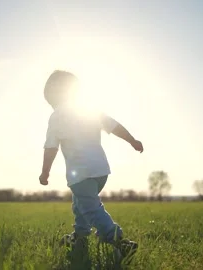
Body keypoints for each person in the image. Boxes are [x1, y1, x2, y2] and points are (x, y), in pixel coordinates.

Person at [39, 70, 143, 259]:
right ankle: (80, 236)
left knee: (91, 208)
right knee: (80, 205)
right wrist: (132, 140)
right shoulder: (89, 109)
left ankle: (119, 241)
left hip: (80, 173)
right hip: (100, 171)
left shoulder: (56, 116)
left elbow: (51, 147)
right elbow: (114, 126)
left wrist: (45, 173)